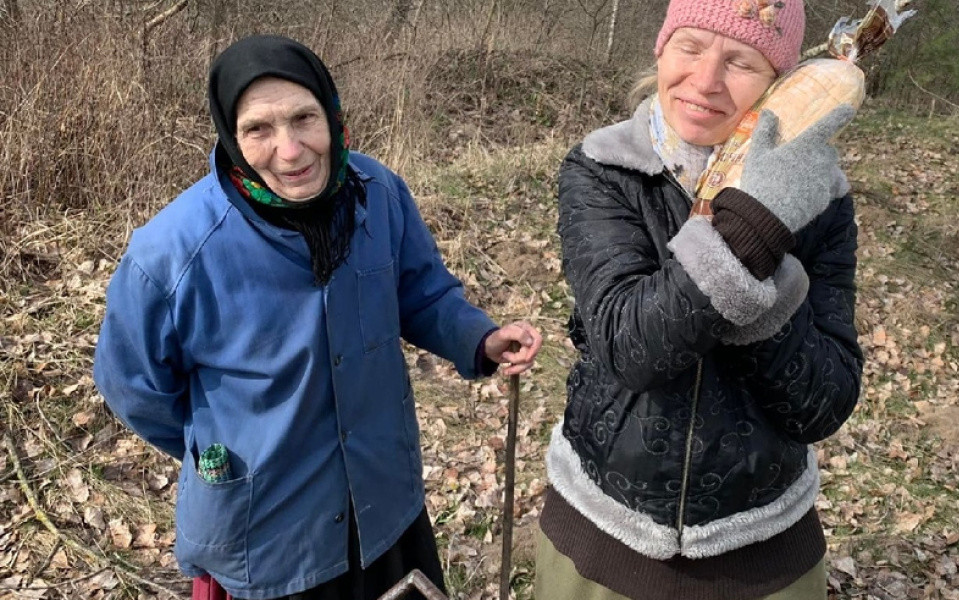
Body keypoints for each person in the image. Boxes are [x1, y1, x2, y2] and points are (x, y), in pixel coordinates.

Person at [92, 35, 542, 600]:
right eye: (259, 129)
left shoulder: (375, 195)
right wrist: (223, 445)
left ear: (331, 115)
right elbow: (132, 385)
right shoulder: (173, 253)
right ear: (231, 135)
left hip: (383, 507)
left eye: (305, 118)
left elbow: (421, 292)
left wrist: (480, 337)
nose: (290, 149)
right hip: (269, 534)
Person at [535, 1, 863, 598]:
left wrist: (767, 256)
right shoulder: (605, 168)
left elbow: (824, 405)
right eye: (690, 46)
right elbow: (629, 348)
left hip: (764, 554)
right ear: (661, 49)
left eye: (740, 60)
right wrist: (748, 237)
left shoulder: (822, 199)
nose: (706, 80)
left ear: (778, 83)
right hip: (603, 538)